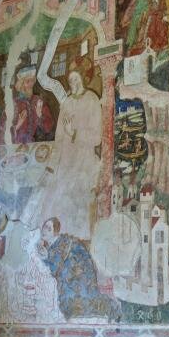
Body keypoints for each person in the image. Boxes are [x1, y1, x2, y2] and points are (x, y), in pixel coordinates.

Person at [38, 57, 101, 239]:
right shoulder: (66, 103)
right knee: (59, 201)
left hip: (84, 161)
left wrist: (74, 134)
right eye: (70, 80)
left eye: (76, 79)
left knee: (78, 204)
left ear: (83, 79)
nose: (73, 83)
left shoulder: (92, 100)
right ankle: (57, 238)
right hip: (66, 161)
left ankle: (79, 240)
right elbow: (59, 137)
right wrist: (53, 164)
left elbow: (97, 137)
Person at [38, 217, 119, 320]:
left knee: (73, 303)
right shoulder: (50, 245)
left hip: (79, 279)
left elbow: (55, 269)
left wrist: (45, 258)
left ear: (55, 233)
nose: (45, 231)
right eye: (44, 227)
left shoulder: (62, 244)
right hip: (71, 276)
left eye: (49, 229)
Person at [10, 66, 54, 144]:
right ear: (21, 84)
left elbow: (48, 128)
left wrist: (40, 116)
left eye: (32, 81)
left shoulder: (38, 101)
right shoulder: (15, 103)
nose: (30, 84)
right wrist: (18, 125)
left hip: (34, 145)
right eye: (27, 81)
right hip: (17, 146)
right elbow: (4, 132)